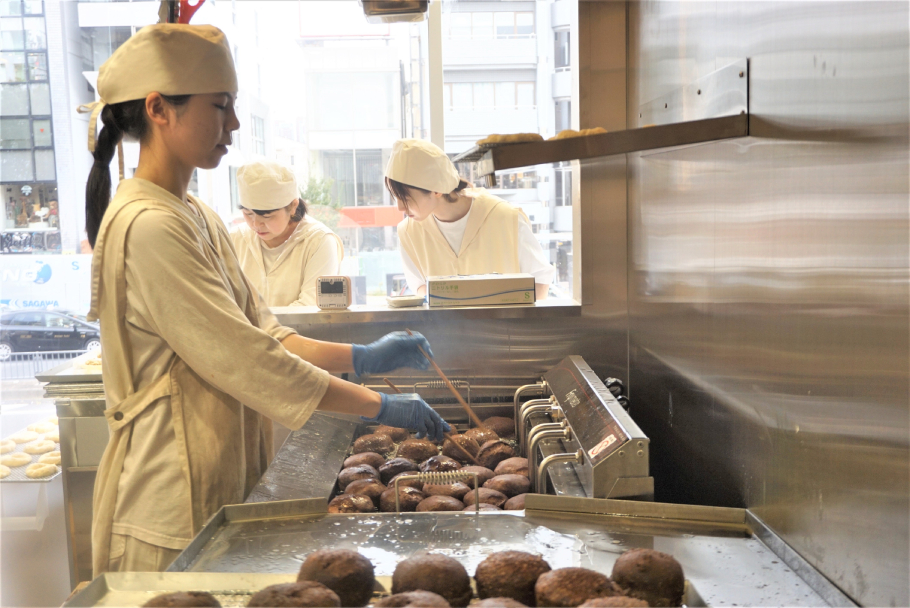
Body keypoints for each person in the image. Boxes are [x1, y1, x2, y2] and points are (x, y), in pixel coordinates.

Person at [79, 24, 449, 576]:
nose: (231, 124)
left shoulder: (195, 214)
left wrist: (363, 357)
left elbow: (264, 335)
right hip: (170, 497)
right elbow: (247, 361)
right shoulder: (148, 227)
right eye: (221, 106)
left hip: (217, 481)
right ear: (159, 109)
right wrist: (378, 405)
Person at [385, 139, 555, 300]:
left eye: (405, 198)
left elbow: (540, 281)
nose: (400, 208)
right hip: (445, 331)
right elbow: (421, 288)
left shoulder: (507, 218)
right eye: (395, 197)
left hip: (509, 329)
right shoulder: (408, 232)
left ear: (436, 189)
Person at [231, 160, 343, 306]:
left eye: (267, 216)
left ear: (293, 206)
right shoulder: (236, 239)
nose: (256, 224)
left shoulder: (319, 241)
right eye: (248, 213)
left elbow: (309, 306)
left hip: (298, 329)